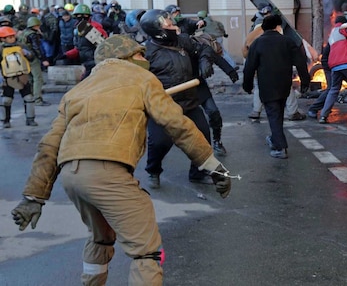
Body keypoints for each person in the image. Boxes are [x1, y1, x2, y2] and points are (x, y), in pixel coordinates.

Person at [10, 34, 231, 286]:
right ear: (125, 57)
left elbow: (49, 145)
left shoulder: (79, 90)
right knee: (147, 251)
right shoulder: (142, 78)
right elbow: (178, 125)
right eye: (139, 54)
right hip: (109, 173)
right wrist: (213, 167)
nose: (144, 59)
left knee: (100, 238)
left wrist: (33, 197)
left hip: (73, 176)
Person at [139, 9, 217, 188]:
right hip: (163, 107)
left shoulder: (183, 42)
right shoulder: (146, 52)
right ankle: (153, 170)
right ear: (158, 31)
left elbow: (203, 48)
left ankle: (198, 172)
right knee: (160, 142)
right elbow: (137, 79)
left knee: (202, 136)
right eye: (170, 25)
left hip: (189, 102)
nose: (175, 27)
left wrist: (205, 61)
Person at [243, 14, 311, 158]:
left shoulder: (257, 44)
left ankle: (280, 147)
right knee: (277, 113)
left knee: (273, 114)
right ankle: (274, 139)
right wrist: (305, 82)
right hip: (284, 85)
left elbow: (249, 67)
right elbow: (300, 62)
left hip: (266, 86)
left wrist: (247, 85)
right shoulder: (287, 41)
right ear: (278, 26)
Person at [179, 18, 238, 156]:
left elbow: (213, 55)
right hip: (178, 88)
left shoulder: (198, 43)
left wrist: (230, 71)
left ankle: (217, 141)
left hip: (198, 85)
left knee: (213, 112)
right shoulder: (170, 45)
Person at [0, 26, 37, 127]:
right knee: (6, 100)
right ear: (3, 38)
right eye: (9, 37)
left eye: (12, 36)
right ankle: (5, 121)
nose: (12, 38)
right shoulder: (1, 49)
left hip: (23, 76)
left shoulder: (21, 46)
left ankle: (30, 119)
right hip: (8, 78)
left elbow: (32, 57)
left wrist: (27, 54)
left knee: (29, 98)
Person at [19, 17, 51, 105]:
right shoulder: (33, 34)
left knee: (30, 78)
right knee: (38, 78)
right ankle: (38, 99)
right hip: (33, 58)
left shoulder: (23, 33)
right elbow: (36, 48)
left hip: (24, 58)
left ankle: (31, 97)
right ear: (36, 25)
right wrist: (43, 59)